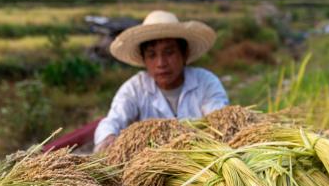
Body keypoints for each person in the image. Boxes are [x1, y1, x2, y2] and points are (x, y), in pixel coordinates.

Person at [94, 10, 229, 152]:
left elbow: (219, 118)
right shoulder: (135, 88)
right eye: (152, 55)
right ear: (144, 60)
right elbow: (113, 120)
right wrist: (109, 138)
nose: (161, 63)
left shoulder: (205, 82)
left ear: (185, 54)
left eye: (169, 52)